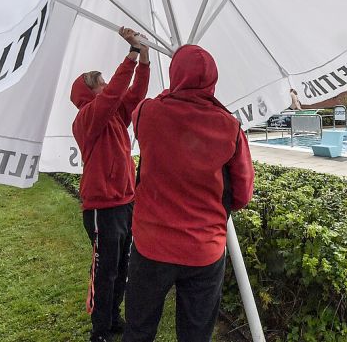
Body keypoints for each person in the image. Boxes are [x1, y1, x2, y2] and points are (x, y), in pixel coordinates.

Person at [124, 45, 255, 342]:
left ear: (174, 75)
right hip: (204, 249)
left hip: (151, 246)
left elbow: (141, 108)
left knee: (138, 330)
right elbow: (243, 193)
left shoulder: (148, 112)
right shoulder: (230, 127)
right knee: (196, 335)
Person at [70, 27, 151, 342]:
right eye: (100, 83)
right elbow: (119, 90)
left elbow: (134, 93)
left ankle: (113, 318)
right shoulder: (88, 118)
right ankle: (99, 331)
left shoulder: (116, 116)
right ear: (89, 93)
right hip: (101, 208)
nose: (107, 85)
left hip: (124, 203)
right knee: (105, 273)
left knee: (121, 267)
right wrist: (130, 53)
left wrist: (143, 57)